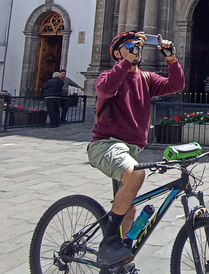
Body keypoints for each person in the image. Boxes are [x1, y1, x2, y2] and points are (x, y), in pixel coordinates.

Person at [87, 31, 184, 266]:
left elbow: (176, 84)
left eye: (137, 46)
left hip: (131, 150)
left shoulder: (147, 79)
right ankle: (108, 243)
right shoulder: (109, 76)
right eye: (129, 46)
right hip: (106, 144)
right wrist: (126, 61)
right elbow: (106, 88)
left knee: (129, 212)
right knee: (136, 175)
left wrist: (171, 58)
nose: (135, 49)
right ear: (117, 53)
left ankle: (120, 263)